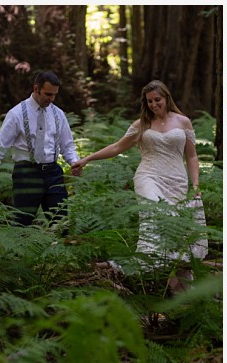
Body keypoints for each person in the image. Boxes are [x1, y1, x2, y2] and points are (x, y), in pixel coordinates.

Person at [71, 80, 207, 292]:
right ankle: (141, 267)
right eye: (150, 101)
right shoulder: (141, 125)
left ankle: (175, 278)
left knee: (176, 228)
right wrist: (87, 159)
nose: (154, 104)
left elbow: (191, 155)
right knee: (153, 215)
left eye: (157, 100)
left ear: (166, 98)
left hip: (176, 181)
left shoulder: (183, 122)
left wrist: (196, 184)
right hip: (149, 176)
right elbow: (117, 147)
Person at [0, 71, 81, 226]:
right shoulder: (16, 114)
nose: (51, 99)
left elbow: (67, 146)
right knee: (22, 223)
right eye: (48, 94)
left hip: (53, 173)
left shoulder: (58, 114)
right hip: (26, 173)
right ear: (36, 89)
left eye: (54, 95)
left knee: (61, 222)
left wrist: (75, 162)